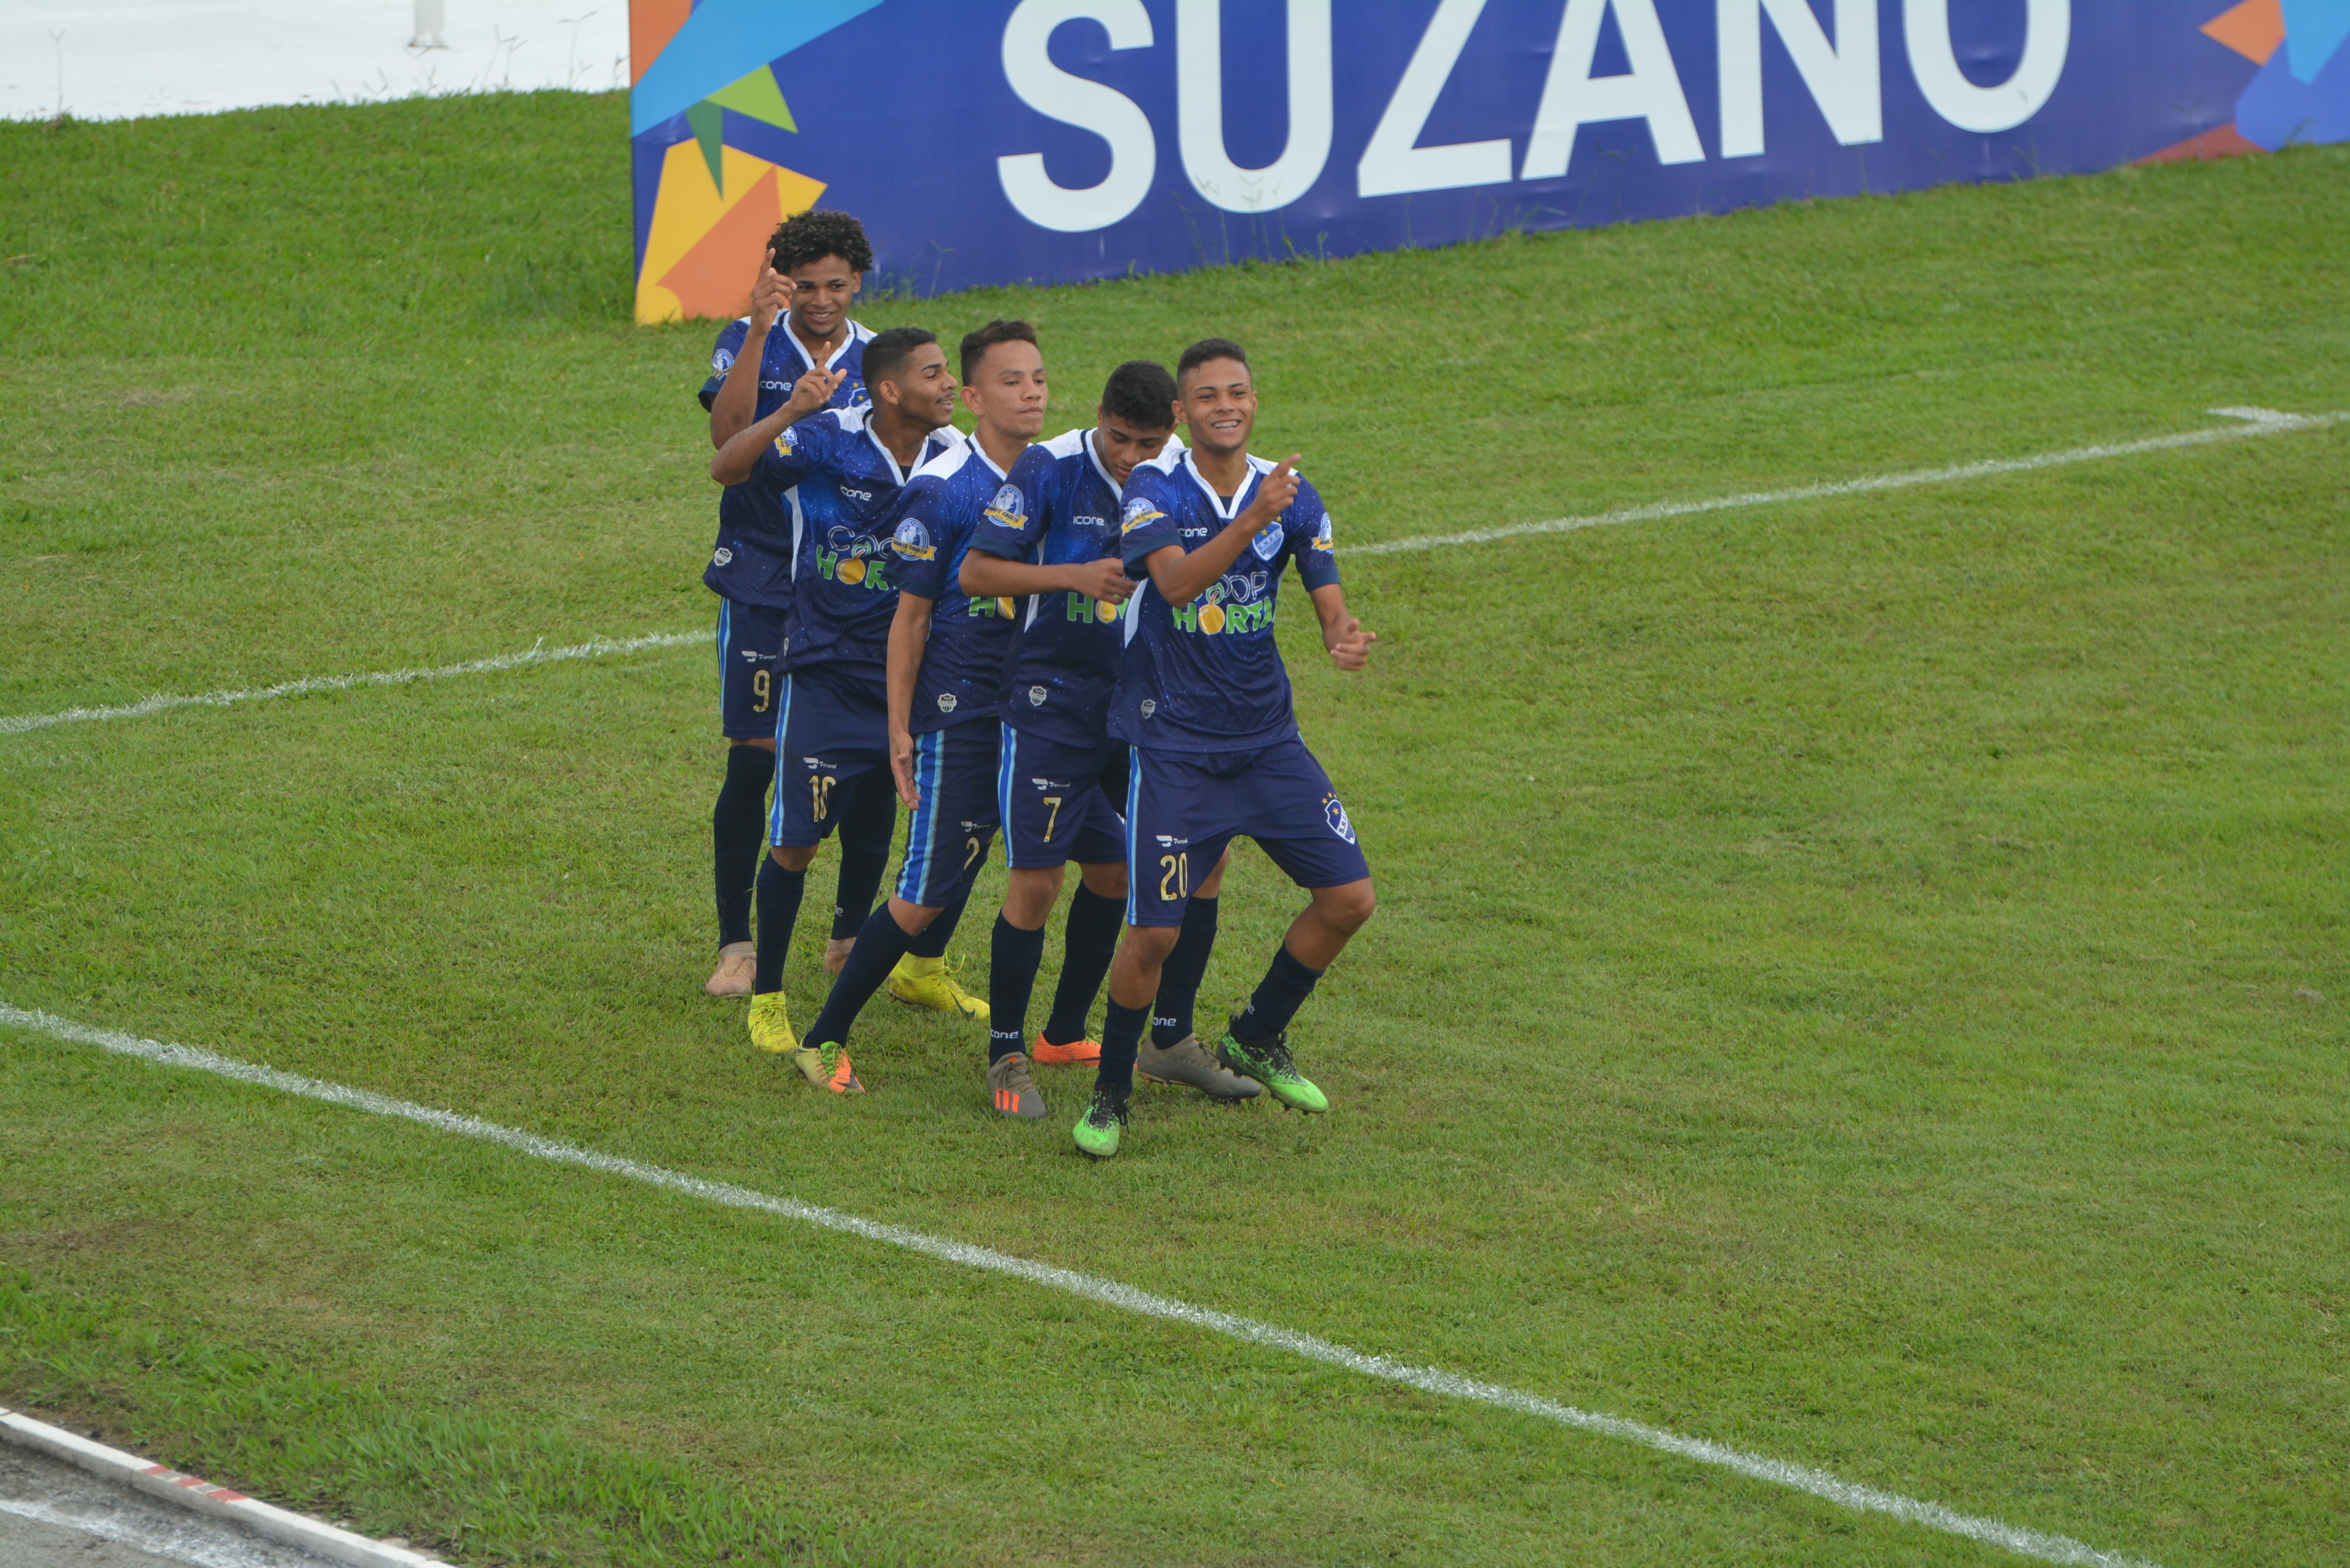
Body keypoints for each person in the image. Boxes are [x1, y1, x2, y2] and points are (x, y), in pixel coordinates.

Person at [1071, 338, 1378, 1158]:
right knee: (1155, 935)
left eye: (1238, 392)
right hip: (1175, 748)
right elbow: (1172, 584)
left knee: (1349, 900)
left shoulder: (1290, 490)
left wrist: (1341, 634)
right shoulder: (1153, 485)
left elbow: (1325, 594)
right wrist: (1252, 519)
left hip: (1267, 743)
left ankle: (1254, 1034)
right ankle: (1111, 1091)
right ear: (1182, 412)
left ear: (1253, 399)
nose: (1226, 407)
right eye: (1207, 396)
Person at [962, 361, 1257, 1119]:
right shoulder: (1050, 467)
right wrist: (1071, 578)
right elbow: (976, 573)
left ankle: (1145, 1037)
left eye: (1147, 441)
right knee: (1037, 883)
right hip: (1053, 707)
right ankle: (1007, 1051)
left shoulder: (1181, 479)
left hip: (1150, 710)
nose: (1129, 457)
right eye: (1119, 439)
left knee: (1193, 862)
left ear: (1173, 425)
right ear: (1097, 417)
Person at [708, 327, 979, 1088]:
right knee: (796, 841)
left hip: (919, 678)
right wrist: (790, 412)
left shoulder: (958, 458)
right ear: (890, 389)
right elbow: (728, 468)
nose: (949, 383)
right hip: (827, 674)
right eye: (933, 373)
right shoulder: (827, 441)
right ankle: (768, 997)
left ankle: (876, 958)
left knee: (889, 826)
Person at [789, 321, 1055, 1096]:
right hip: (963, 712)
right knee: (922, 895)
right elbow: (908, 621)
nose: (1031, 392)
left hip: (1046, 717)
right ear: (973, 397)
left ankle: (1058, 1036)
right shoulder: (942, 491)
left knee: (1103, 865)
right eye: (1011, 381)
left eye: (1038, 378)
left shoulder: (1057, 477)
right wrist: (901, 728)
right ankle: (823, 1038)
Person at [699, 209, 895, 999]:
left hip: (851, 592)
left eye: (836, 287)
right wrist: (756, 330)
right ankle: (737, 946)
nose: (821, 302)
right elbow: (725, 439)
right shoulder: (746, 338)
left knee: (875, 763)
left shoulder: (880, 357)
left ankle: (849, 935)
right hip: (760, 578)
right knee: (754, 760)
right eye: (805, 287)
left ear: (857, 283)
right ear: (781, 280)